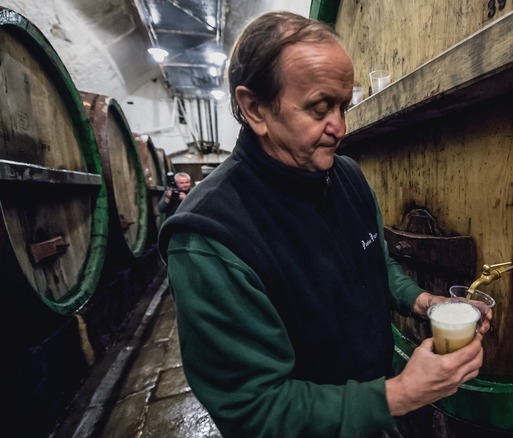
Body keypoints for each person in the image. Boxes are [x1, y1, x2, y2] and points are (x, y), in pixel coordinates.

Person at [158, 11, 491, 438]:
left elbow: (375, 264)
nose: (340, 127)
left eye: (343, 106)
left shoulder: (347, 176)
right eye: (319, 108)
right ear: (254, 108)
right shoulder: (209, 239)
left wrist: (425, 302)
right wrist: (401, 394)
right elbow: (254, 410)